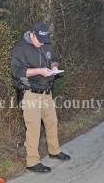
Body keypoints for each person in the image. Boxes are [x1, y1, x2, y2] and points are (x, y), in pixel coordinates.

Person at [11, 22, 71, 173]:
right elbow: (16, 71)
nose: (42, 43)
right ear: (32, 34)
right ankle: (32, 161)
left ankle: (54, 150)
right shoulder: (21, 49)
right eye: (39, 40)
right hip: (31, 93)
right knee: (34, 127)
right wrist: (39, 71)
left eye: (44, 41)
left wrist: (54, 67)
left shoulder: (46, 43)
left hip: (47, 92)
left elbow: (54, 58)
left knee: (52, 122)